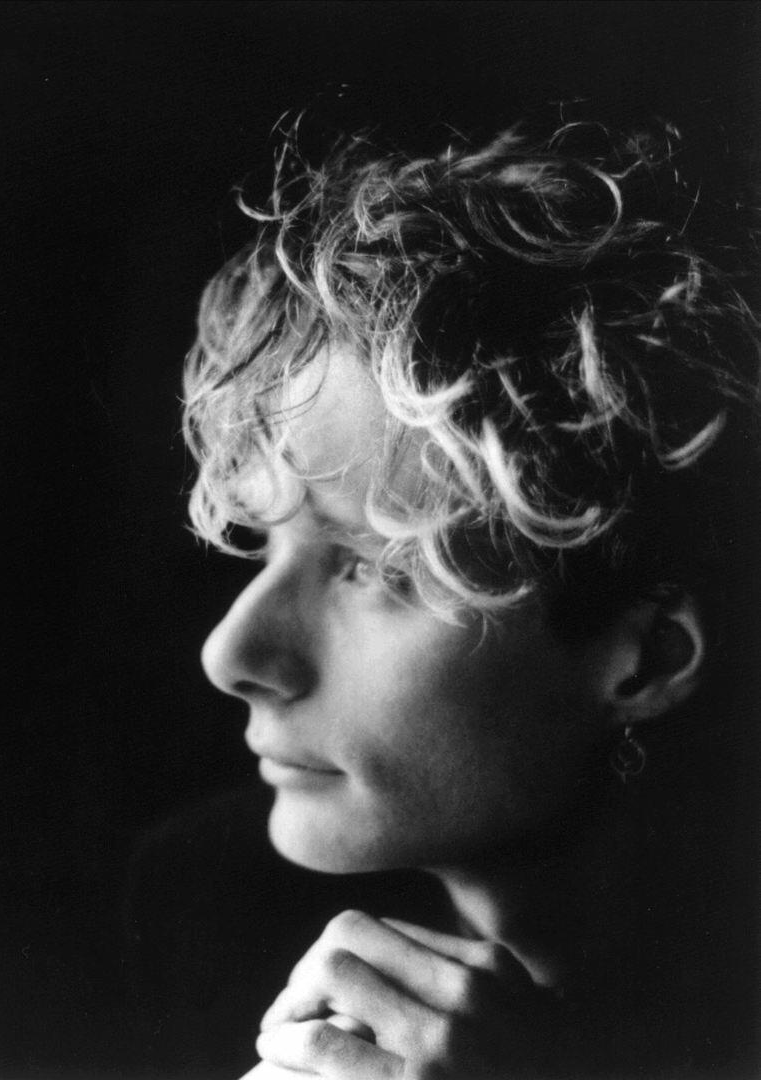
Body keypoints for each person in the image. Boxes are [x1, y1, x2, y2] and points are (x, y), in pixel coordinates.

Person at [131, 114, 760, 1078]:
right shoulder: (197, 910)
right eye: (263, 544)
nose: (233, 655)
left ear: (646, 661)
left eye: (377, 569)